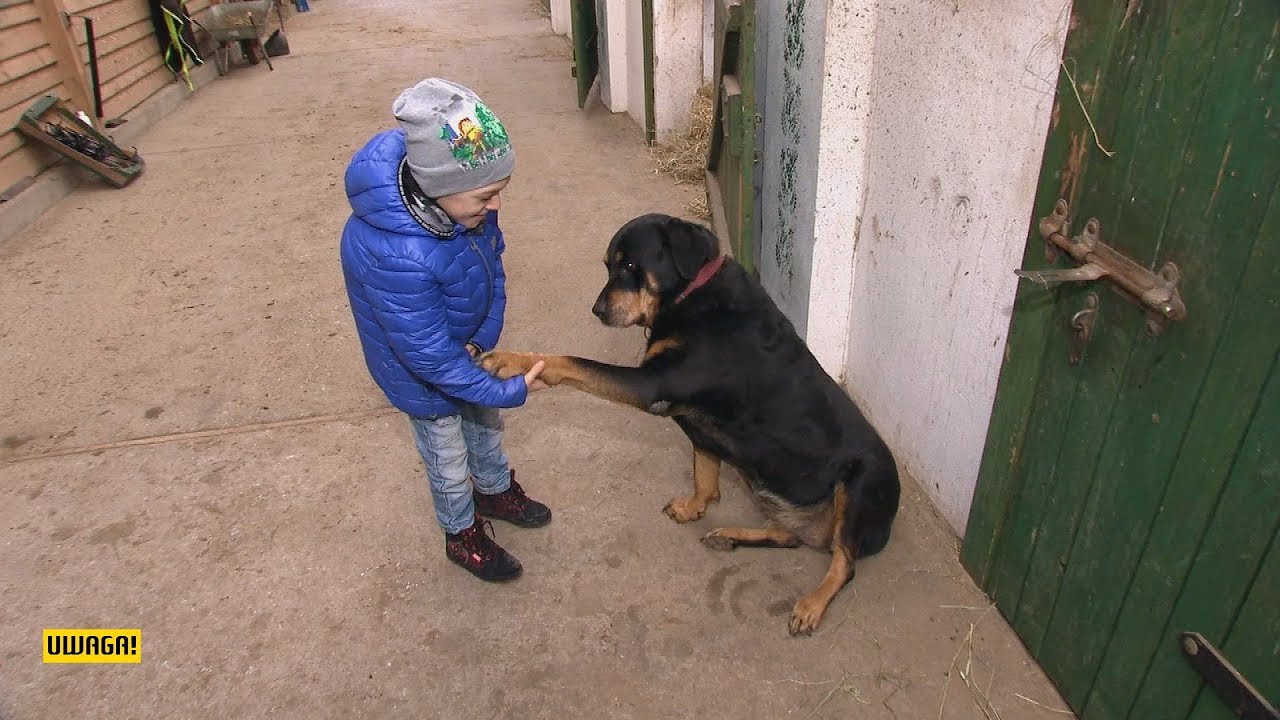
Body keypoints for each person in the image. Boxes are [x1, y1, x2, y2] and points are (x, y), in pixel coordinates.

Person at [339, 78, 548, 583]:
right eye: (486, 196)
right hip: (424, 378)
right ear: (438, 188)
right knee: (448, 459)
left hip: (466, 351)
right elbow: (429, 358)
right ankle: (461, 533)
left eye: (499, 192)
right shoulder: (398, 255)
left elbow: (494, 272)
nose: (496, 207)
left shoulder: (468, 212)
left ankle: (494, 490)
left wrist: (483, 338)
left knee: (484, 428)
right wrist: (508, 390)